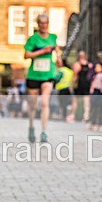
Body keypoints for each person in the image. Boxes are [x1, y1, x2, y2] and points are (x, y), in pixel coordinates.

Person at [23, 13, 60, 143]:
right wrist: (42, 51)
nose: (44, 26)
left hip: (48, 74)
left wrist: (59, 59)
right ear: (38, 24)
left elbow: (57, 50)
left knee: (44, 102)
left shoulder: (53, 37)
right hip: (34, 75)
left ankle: (44, 132)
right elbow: (26, 55)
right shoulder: (33, 39)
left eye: (46, 23)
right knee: (33, 104)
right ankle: (31, 127)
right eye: (41, 23)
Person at [71, 50, 92, 122]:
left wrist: (72, 84)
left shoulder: (77, 64)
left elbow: (74, 75)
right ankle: (85, 116)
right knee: (85, 101)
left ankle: (73, 115)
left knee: (75, 101)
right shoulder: (89, 65)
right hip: (85, 84)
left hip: (80, 84)